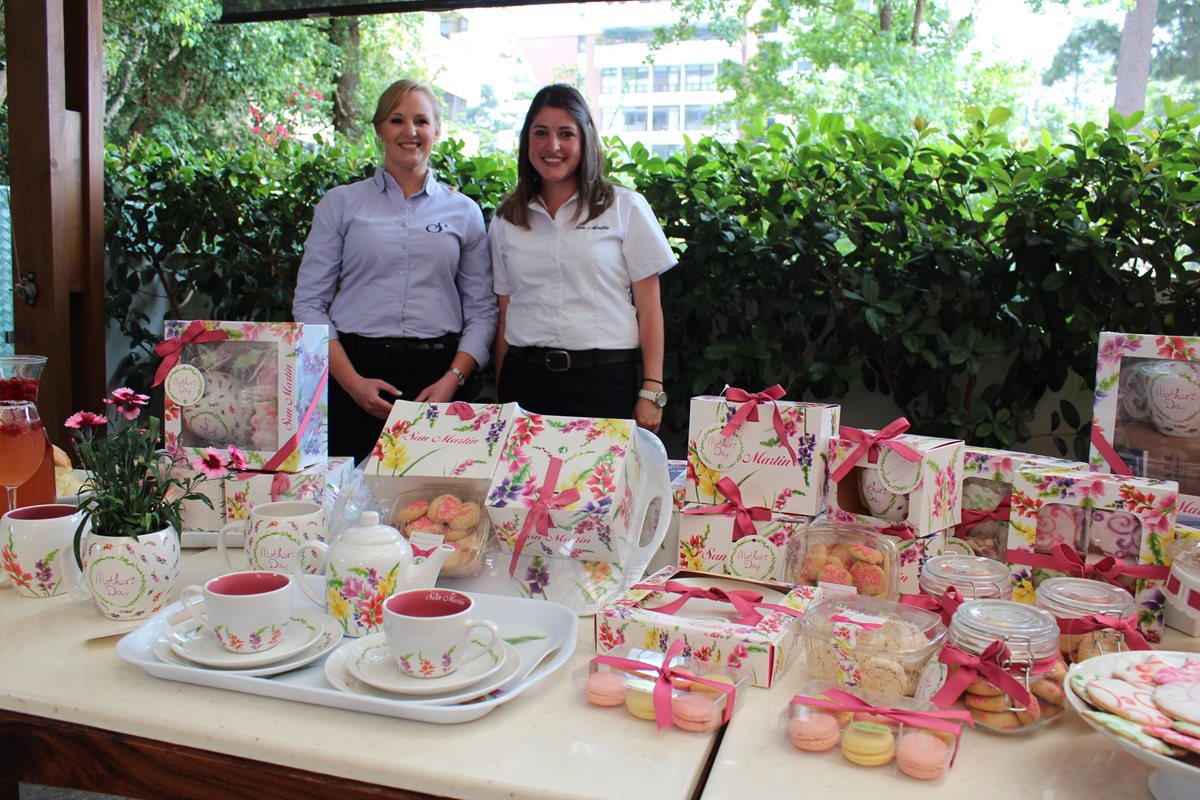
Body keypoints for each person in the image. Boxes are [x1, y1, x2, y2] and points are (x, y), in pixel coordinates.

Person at [293, 79, 496, 462]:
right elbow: (309, 305)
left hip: (437, 378)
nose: (410, 131)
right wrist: (351, 383)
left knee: (438, 508)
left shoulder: (464, 212)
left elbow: (483, 311)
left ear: (437, 129)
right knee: (348, 506)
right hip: (353, 373)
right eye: (397, 120)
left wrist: (452, 381)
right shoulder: (339, 204)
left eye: (421, 121)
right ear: (379, 129)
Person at [489, 84, 676, 433]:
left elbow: (650, 307)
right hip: (525, 382)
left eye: (565, 134)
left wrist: (652, 389)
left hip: (604, 383)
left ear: (585, 139)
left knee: (598, 489)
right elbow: (506, 310)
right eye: (541, 133)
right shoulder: (506, 219)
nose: (552, 146)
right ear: (527, 140)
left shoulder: (625, 207)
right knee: (524, 488)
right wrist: (504, 393)